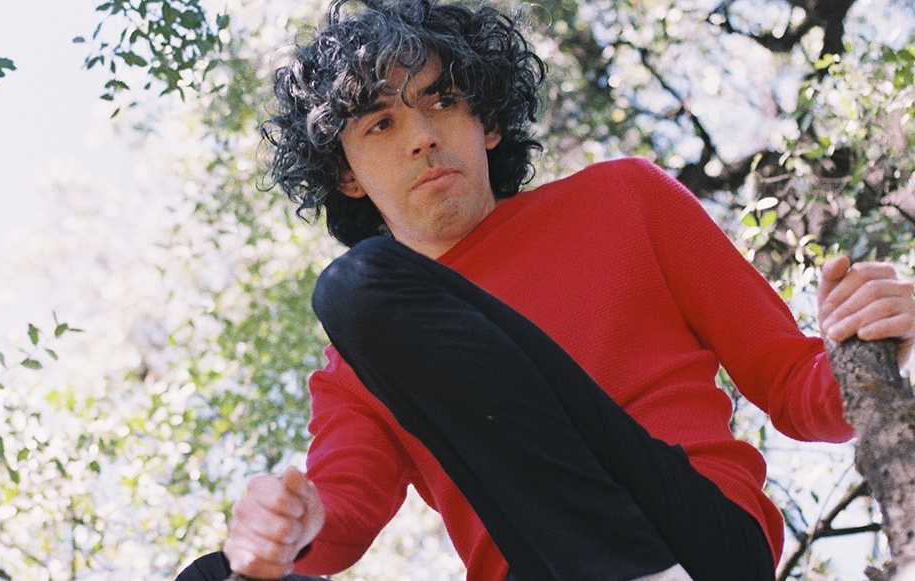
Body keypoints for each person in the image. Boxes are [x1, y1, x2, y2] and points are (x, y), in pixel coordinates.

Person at [174, 0, 915, 579]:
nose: (422, 135)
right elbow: (344, 514)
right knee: (217, 578)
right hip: (539, 565)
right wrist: (293, 523)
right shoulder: (367, 359)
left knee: (354, 287)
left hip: (693, 537)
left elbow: (793, 386)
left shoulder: (626, 199)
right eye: (381, 124)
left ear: (488, 122)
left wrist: (871, 335)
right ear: (346, 175)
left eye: (442, 101)